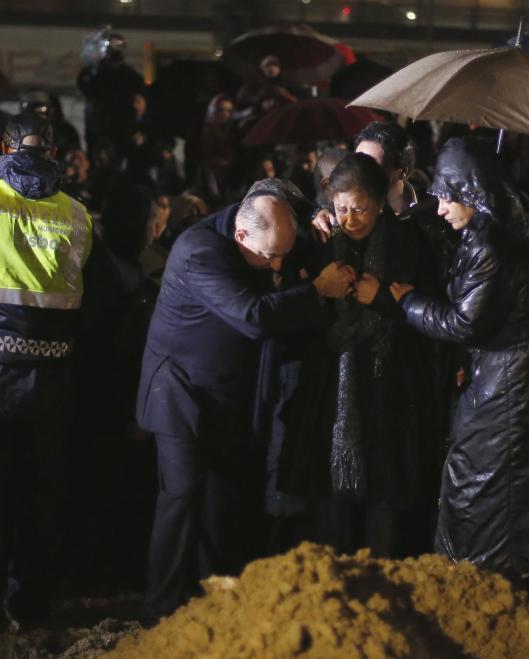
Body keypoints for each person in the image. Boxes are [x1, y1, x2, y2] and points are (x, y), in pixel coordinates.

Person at [136, 178, 356, 618]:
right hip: (179, 391)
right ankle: (160, 612)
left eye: (283, 253)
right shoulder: (200, 252)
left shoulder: (259, 225)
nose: (277, 264)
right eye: (270, 255)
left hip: (226, 391)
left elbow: (287, 204)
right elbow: (252, 316)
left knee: (222, 502)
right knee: (180, 500)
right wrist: (317, 290)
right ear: (241, 234)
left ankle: (216, 601)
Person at [389, 138, 529, 579]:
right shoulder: (515, 220)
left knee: (485, 485)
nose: (442, 206)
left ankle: (483, 581)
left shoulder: (491, 244)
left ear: (471, 191)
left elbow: (464, 324)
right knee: (497, 482)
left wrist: (407, 301)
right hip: (516, 374)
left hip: (503, 383)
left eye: (449, 196)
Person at [273, 153, 441, 557]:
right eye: (341, 208)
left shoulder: (410, 242)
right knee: (332, 499)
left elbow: (429, 312)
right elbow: (299, 309)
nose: (350, 219)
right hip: (331, 386)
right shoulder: (323, 241)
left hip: (389, 387)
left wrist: (382, 299)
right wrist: (323, 288)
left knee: (385, 495)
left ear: (380, 203)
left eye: (360, 209)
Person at [0, 113, 94, 627]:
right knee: (40, 496)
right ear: (55, 151)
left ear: (7, 146)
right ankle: (29, 608)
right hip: (55, 373)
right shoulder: (78, 214)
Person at [76, 31, 144, 158]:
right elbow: (83, 85)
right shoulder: (95, 72)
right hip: (98, 128)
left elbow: (139, 101)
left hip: (121, 129)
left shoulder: (130, 76)